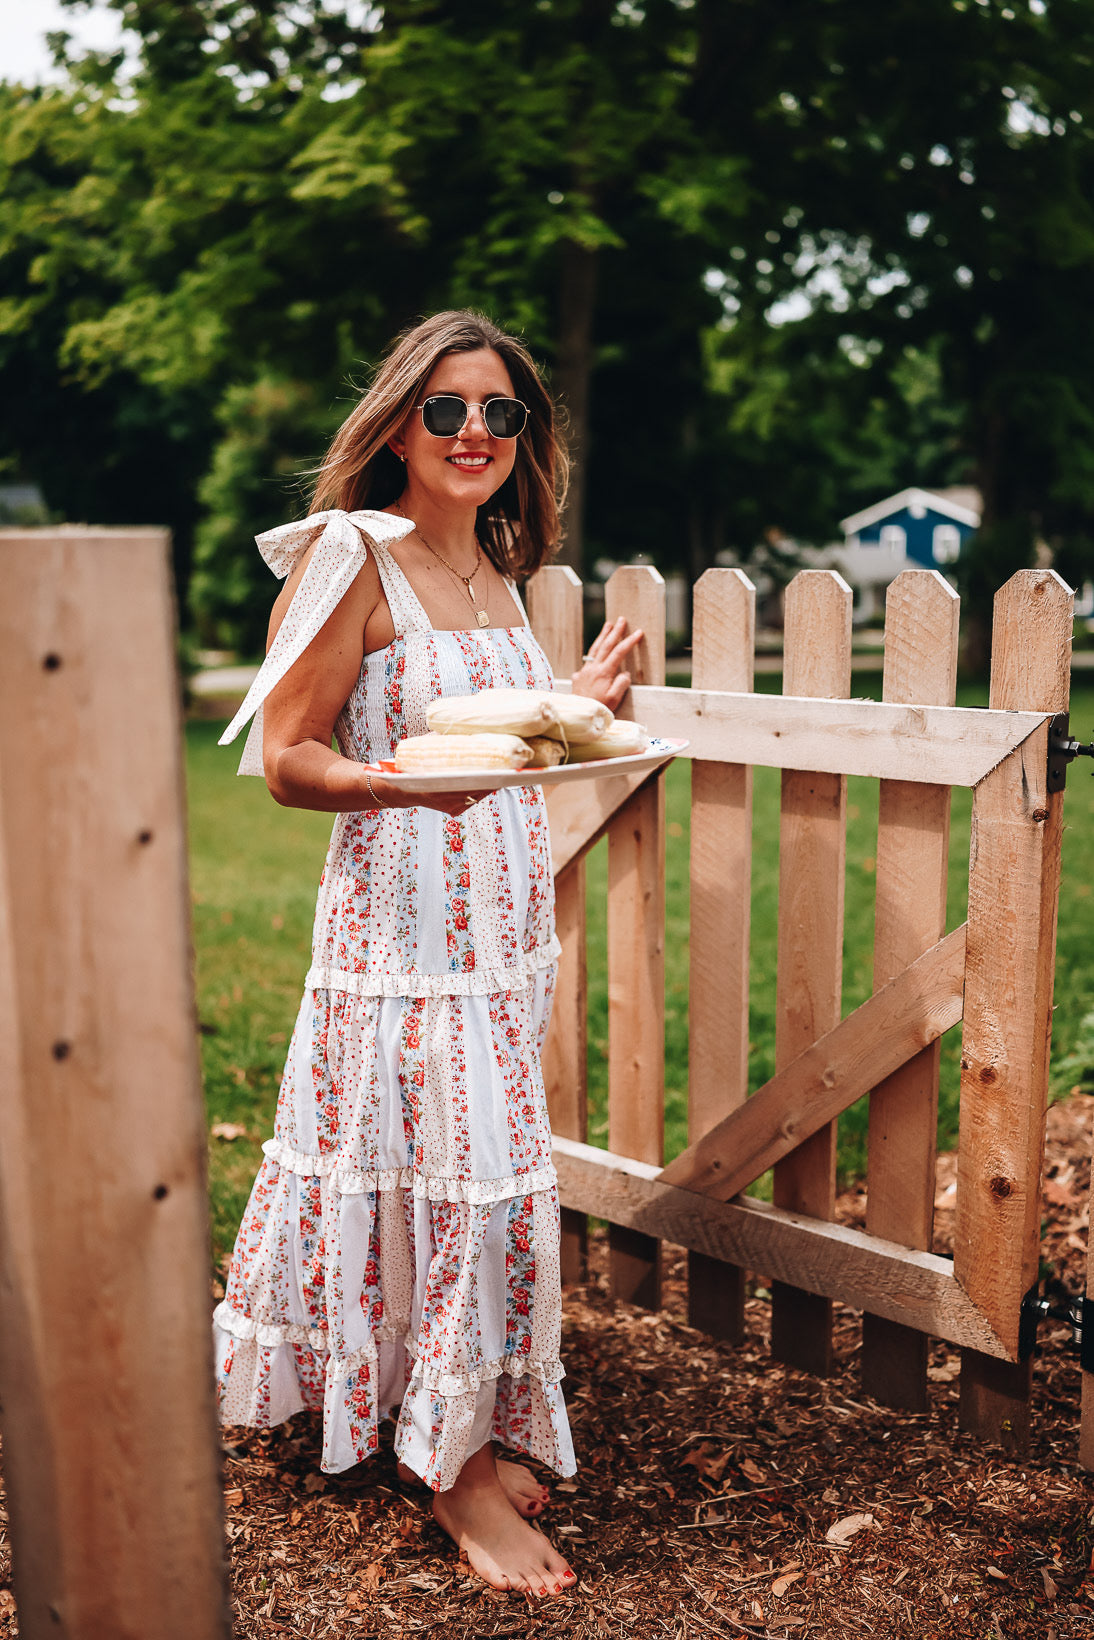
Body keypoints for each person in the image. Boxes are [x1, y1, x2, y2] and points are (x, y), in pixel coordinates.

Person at [213, 310, 641, 1596]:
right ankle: (454, 1478)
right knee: (468, 1183)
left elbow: (484, 735)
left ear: (526, 436)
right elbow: (286, 759)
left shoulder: (496, 572)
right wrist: (394, 789)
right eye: (445, 408)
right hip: (401, 943)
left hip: (499, 938)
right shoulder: (355, 555)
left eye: (498, 412)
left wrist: (576, 712)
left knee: (453, 1175)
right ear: (397, 422)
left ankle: (432, 1418)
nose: (471, 432)